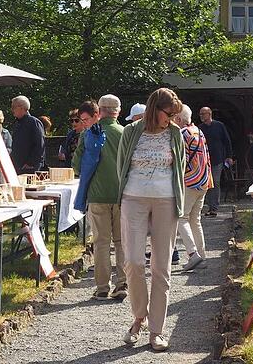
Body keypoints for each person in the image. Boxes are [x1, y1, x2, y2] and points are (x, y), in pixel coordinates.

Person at [118, 88, 184, 351]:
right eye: (168, 114)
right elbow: (121, 165)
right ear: (155, 108)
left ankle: (156, 330)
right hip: (133, 198)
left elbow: (178, 169)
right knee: (133, 261)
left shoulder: (175, 134)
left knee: (161, 267)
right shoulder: (131, 131)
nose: (171, 119)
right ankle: (139, 317)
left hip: (166, 200)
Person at [72, 95, 127, 301]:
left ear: (100, 111)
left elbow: (77, 166)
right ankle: (122, 284)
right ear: (118, 111)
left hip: (97, 195)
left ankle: (102, 287)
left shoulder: (88, 134)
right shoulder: (125, 133)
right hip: (122, 195)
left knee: (102, 242)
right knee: (122, 242)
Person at [173, 104, 213, 272]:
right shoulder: (198, 130)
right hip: (203, 179)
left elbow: (181, 161)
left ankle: (193, 254)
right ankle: (201, 256)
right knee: (195, 220)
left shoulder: (182, 134)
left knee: (181, 218)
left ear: (178, 119)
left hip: (189, 181)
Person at [198, 106, 233, 217]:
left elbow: (227, 141)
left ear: (210, 114)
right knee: (205, 183)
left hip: (217, 159)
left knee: (215, 183)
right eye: (201, 114)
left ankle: (214, 208)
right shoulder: (200, 128)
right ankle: (207, 206)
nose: (202, 116)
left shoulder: (219, 126)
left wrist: (229, 156)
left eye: (204, 114)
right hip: (204, 160)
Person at [10, 95, 45, 174]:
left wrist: (31, 163)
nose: (12, 110)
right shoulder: (17, 124)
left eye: (13, 107)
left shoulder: (34, 122)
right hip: (18, 166)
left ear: (21, 107)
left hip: (30, 167)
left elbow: (40, 144)